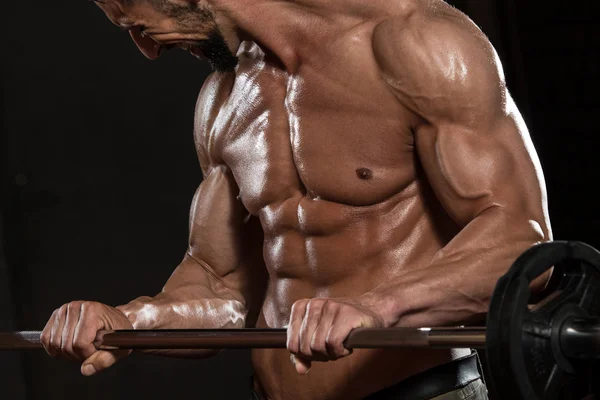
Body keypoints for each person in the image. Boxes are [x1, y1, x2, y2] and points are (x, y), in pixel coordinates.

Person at [41, 0, 552, 398]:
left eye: (140, 26)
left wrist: (378, 307)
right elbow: (223, 288)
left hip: (420, 390)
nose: (147, 51)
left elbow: (522, 247)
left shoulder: (416, 44)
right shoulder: (222, 100)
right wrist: (132, 321)